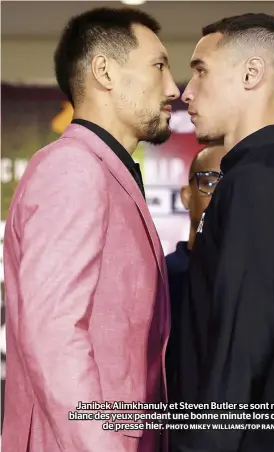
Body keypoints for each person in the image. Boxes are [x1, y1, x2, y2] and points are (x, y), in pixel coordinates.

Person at [2, 7, 179, 452]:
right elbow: (54, 333)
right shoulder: (73, 168)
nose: (174, 88)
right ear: (105, 71)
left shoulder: (103, 170)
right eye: (159, 66)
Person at [173, 13, 274, 452]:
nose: (186, 92)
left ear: (251, 74)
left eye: (200, 70)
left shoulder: (256, 184)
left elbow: (237, 358)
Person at [165, 143, 226, 403]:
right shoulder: (160, 279)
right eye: (210, 183)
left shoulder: (258, 285)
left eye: (233, 186)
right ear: (186, 195)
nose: (221, 196)